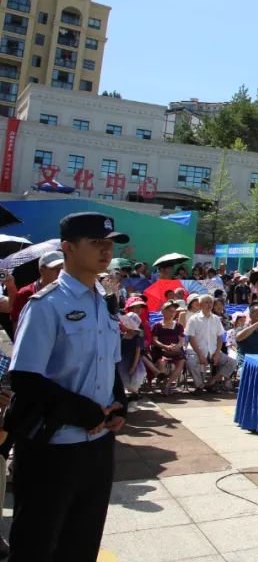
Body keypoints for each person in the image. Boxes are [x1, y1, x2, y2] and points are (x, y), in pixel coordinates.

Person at [5, 212, 130, 560]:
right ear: (68, 248)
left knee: (82, 542)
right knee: (37, 544)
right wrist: (83, 411)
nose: (106, 251)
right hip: (53, 446)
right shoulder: (47, 305)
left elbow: (108, 362)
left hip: (98, 444)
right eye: (96, 242)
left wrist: (119, 402)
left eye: (109, 244)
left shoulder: (104, 301)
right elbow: (25, 377)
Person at [185, 293, 238, 393]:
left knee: (232, 362)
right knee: (190, 362)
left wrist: (217, 353)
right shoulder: (193, 319)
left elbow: (220, 337)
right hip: (196, 351)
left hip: (213, 351)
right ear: (200, 305)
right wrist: (200, 355)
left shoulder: (216, 319)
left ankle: (212, 381)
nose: (209, 305)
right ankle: (199, 386)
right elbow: (191, 338)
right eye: (206, 302)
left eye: (211, 302)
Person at [8, 249, 65, 335]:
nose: (60, 272)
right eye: (55, 269)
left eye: (63, 268)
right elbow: (17, 325)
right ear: (42, 270)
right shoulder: (26, 293)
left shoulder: (70, 290)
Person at [151, 300, 187, 395]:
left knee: (181, 361)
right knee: (162, 362)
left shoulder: (178, 326)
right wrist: (165, 346)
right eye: (170, 311)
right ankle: (163, 382)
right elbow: (154, 340)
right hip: (161, 350)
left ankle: (168, 384)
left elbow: (181, 340)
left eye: (174, 311)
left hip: (175, 349)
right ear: (163, 312)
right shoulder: (157, 325)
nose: (172, 313)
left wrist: (177, 346)